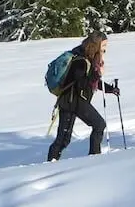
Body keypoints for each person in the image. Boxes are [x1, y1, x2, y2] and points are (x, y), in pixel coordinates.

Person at [47, 32, 119, 161]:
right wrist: (98, 74)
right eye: (104, 45)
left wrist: (110, 89)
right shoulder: (80, 61)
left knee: (64, 138)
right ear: (96, 45)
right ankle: (94, 158)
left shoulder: (89, 57)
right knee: (98, 125)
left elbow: (92, 81)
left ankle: (52, 161)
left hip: (72, 100)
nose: (105, 48)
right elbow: (81, 83)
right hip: (73, 101)